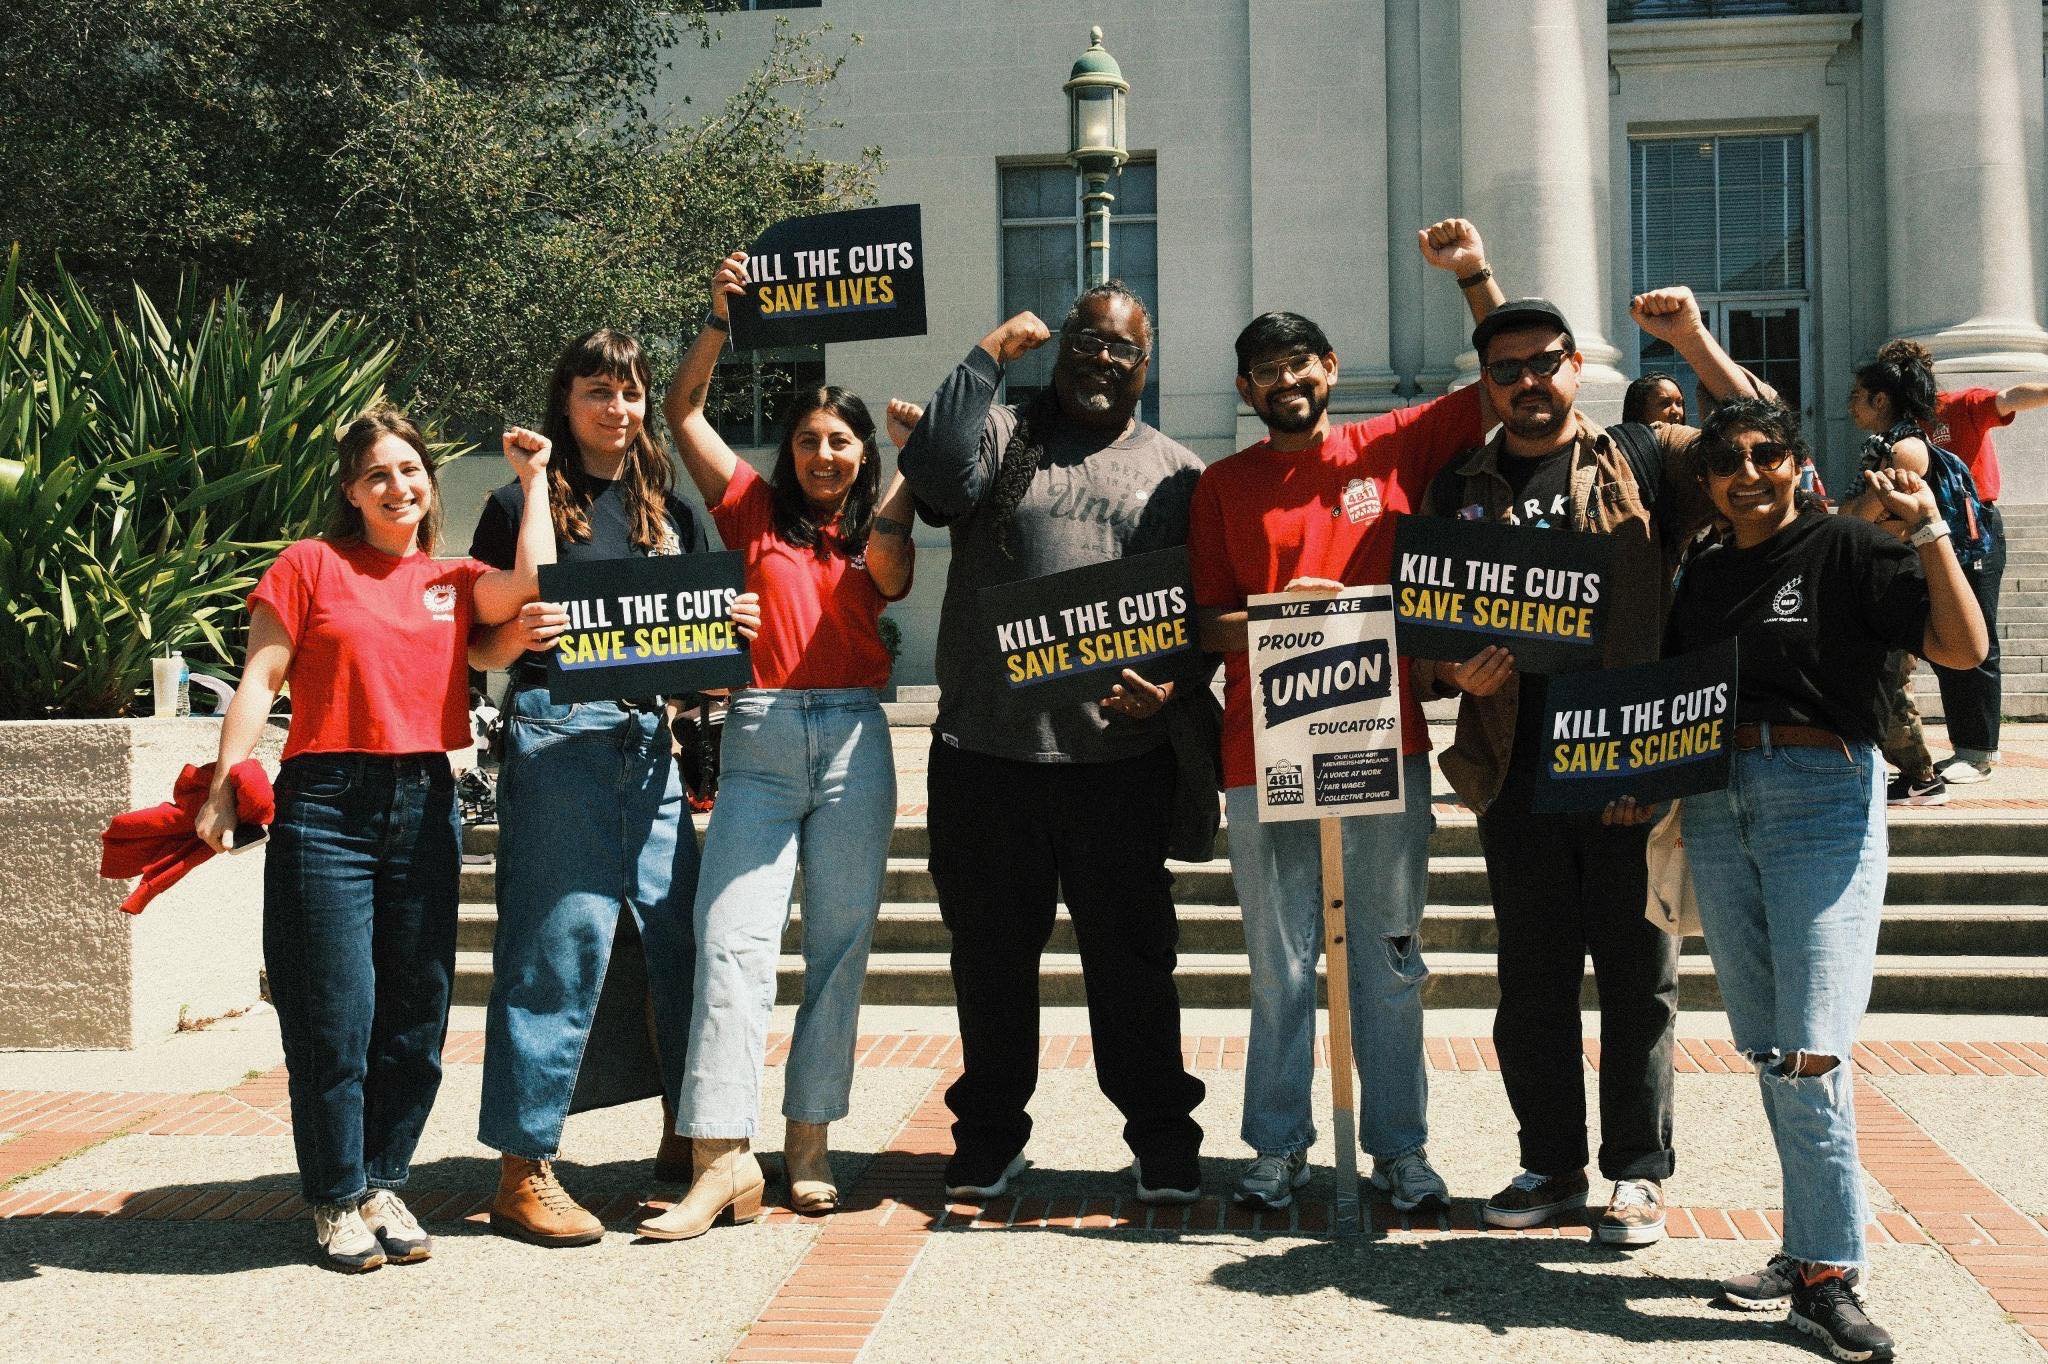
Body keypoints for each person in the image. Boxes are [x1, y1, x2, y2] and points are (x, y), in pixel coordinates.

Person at [1411, 286, 1768, 1244]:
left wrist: (1689, 339)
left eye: (1544, 362)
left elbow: (1759, 437)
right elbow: (1431, 631)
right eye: (1506, 370)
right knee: (1530, 981)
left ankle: (1637, 1173)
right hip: (1513, 766)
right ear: (1488, 387)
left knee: (1637, 977)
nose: (1527, 381)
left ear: (1577, 367)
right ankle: (1550, 1165)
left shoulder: (1647, 459)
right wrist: (1452, 665)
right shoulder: (1460, 487)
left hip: (1627, 760)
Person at [1658, 398, 1986, 1363]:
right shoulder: (1705, 572)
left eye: (1767, 455)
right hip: (1720, 803)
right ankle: (1806, 1250)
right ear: (1709, 479)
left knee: (1813, 1049)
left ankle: (1829, 1277)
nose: (1747, 473)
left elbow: (1962, 650)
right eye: (1727, 462)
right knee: (1768, 1046)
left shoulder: (1848, 548)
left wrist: (1928, 527)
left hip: (1820, 798)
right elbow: (1676, 691)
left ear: (1799, 464)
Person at [1187, 217, 1504, 1213]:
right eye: (1261, 371)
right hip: (1262, 751)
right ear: (1244, 390)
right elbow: (1202, 628)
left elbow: (1506, 379)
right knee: (1280, 962)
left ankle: (1398, 1149)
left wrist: (1472, 275)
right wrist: (1286, 615)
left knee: (1389, 954)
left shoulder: (1389, 446)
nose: (1283, 381)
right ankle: (1278, 1145)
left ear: (1327, 367)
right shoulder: (1220, 487)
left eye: (1298, 362)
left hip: (1380, 739)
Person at [195, 407, 550, 1271]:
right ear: (351, 494)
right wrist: (222, 782)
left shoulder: (451, 578)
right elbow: (261, 674)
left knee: (414, 1018)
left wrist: (535, 482)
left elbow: (532, 585)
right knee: (335, 1017)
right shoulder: (309, 565)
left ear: (432, 484)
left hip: (426, 800)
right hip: (325, 807)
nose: (399, 486)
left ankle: (383, 1179)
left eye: (411, 470)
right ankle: (335, 1195)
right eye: (378, 475)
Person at [898, 282, 1209, 1204]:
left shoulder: (1179, 473)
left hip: (1116, 766)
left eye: (1121, 349)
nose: (1101, 360)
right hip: (986, 759)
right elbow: (932, 466)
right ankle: (990, 1136)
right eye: (1086, 342)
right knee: (990, 962)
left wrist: (1176, 688)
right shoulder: (1003, 435)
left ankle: (1162, 1138)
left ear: (1145, 366)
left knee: (1134, 967)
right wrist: (990, 353)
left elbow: (1195, 614)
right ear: (1060, 348)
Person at [636, 252, 918, 1240]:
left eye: (840, 441)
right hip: (756, 733)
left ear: (860, 452)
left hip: (851, 738)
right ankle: (720, 1156)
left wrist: (910, 467)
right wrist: (719, 319)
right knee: (731, 941)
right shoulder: (751, 507)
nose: (824, 453)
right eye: (808, 439)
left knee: (837, 949)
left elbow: (889, 573)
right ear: (789, 448)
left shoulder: (883, 518)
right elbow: (680, 412)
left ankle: (807, 1140)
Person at [466, 329, 760, 1247]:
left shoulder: (669, 509)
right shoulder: (517, 503)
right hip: (557, 737)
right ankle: (523, 1168)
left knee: (675, 937)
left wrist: (733, 626)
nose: (619, 409)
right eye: (599, 391)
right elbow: (478, 649)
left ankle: (691, 1134)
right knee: (556, 942)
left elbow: (708, 660)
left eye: (631, 393)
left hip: (649, 740)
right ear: (566, 401)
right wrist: (524, 636)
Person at [1870, 339, 2048, 787]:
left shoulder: (1960, 405)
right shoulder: (1900, 426)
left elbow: (2009, 398)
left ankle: (1978, 749)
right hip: (1924, 534)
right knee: (1945, 637)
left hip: (1974, 530)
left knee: (1976, 633)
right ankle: (1966, 745)